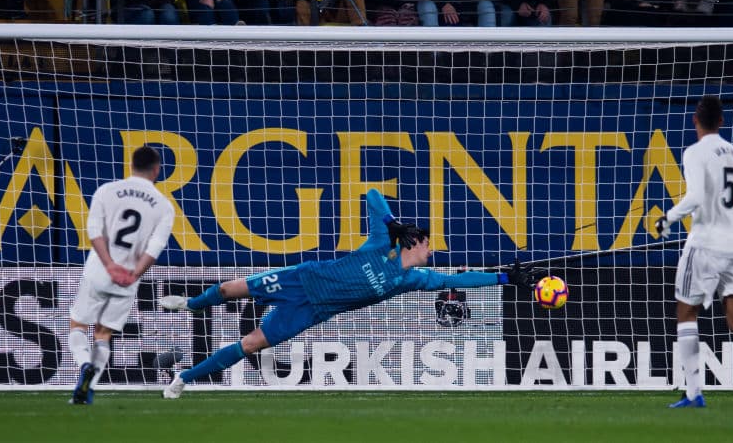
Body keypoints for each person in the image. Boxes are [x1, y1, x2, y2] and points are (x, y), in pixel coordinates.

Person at [157, 188, 543, 399]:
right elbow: (373, 194)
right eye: (428, 245)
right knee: (228, 289)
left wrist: (504, 280)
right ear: (415, 241)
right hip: (300, 279)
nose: (432, 251)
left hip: (313, 310)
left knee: (252, 343)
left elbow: (458, 281)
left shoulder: (412, 279)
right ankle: (188, 303)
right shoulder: (381, 243)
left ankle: (183, 379)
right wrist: (393, 223)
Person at [654, 96, 733, 409]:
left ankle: (693, 393)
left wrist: (668, 217)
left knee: (686, 313)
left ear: (694, 121)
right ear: (722, 122)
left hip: (705, 244)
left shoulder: (695, 151)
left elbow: (697, 195)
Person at [67, 145, 174, 405]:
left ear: (131, 164)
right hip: (128, 279)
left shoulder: (107, 191)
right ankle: (88, 389)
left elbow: (94, 231)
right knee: (103, 334)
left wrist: (109, 264)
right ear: (157, 170)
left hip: (99, 270)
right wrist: (134, 273)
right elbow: (155, 247)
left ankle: (84, 366)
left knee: (78, 325)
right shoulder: (164, 205)